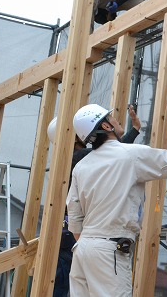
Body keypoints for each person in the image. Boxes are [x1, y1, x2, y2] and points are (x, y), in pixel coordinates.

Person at [66, 103, 167, 296]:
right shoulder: (130, 154)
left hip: (83, 250)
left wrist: (92, 241)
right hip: (109, 248)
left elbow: (74, 216)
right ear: (105, 126)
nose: (115, 119)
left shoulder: (82, 166)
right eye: (111, 117)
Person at [49, 105, 141, 297]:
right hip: (84, 235)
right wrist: (132, 132)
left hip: (72, 234)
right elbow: (115, 156)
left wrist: (132, 132)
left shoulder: (72, 161)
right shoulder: (83, 158)